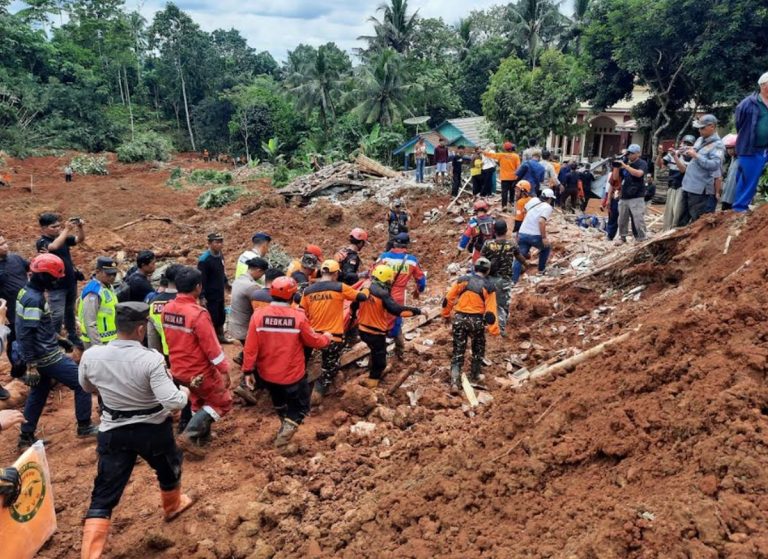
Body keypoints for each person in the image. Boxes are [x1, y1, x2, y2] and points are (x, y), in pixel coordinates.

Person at [78, 302, 193, 559]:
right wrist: (184, 392)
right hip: (152, 430)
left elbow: (86, 387)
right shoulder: (151, 359)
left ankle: (90, 554)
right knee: (168, 466)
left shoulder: (92, 355)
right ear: (141, 329)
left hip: (113, 430)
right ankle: (173, 506)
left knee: (105, 489)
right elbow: (172, 402)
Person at [16, 254, 98, 449]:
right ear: (43, 276)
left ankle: (26, 435)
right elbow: (26, 333)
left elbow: (36, 327)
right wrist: (31, 364)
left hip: (41, 352)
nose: (56, 281)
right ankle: (84, 425)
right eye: (54, 278)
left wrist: (58, 338)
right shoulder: (34, 299)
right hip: (46, 357)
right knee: (82, 382)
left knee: (39, 391)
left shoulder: (26, 292)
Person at [243, 277, 332, 448]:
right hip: (292, 375)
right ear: (292, 296)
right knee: (301, 407)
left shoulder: (258, 315)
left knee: (279, 401)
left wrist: (248, 371)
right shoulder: (298, 317)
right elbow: (313, 341)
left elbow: (250, 347)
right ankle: (283, 439)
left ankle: (284, 424)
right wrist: (326, 338)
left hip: (267, 374)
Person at [162, 267, 232, 457]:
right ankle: (190, 435)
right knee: (222, 402)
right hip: (199, 371)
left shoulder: (167, 309)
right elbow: (212, 348)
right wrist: (224, 370)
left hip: (179, 369)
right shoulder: (198, 314)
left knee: (198, 401)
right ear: (198, 287)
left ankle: (203, 437)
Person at [300, 260, 367, 403]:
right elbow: (361, 297)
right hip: (332, 338)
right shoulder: (340, 287)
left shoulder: (308, 291)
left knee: (301, 362)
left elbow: (301, 312)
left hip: (311, 336)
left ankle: (298, 387)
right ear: (336, 273)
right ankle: (318, 391)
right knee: (330, 367)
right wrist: (366, 288)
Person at [354, 266, 421, 389]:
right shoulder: (382, 294)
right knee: (380, 362)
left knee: (375, 351)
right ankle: (372, 384)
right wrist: (417, 311)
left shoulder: (365, 288)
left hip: (362, 330)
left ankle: (370, 369)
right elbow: (397, 310)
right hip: (375, 333)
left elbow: (354, 304)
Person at [442, 257, 499, 394]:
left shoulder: (462, 280)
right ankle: (475, 374)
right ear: (488, 271)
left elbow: (448, 298)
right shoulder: (489, 287)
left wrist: (445, 314)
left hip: (459, 319)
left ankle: (454, 382)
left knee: (458, 350)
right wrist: (494, 330)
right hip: (476, 321)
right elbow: (491, 311)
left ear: (474, 267)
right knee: (478, 348)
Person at [36, 212, 85, 350]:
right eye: (53, 227)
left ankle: (72, 335)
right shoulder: (42, 242)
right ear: (44, 228)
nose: (57, 229)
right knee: (57, 315)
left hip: (70, 282)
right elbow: (53, 247)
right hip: (56, 285)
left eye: (58, 226)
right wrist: (66, 229)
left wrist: (80, 228)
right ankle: (54, 340)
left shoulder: (62, 237)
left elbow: (79, 239)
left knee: (70, 311)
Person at [373, 232, 426, 358]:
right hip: (398, 295)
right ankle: (400, 351)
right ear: (406, 245)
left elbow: (373, 272)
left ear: (394, 243)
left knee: (379, 319)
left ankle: (378, 351)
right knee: (396, 319)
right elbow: (421, 280)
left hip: (380, 292)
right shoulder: (411, 260)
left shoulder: (384, 257)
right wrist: (418, 290)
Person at [676, 115, 724, 225]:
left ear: (712, 126)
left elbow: (715, 165)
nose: (699, 130)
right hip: (688, 185)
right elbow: (694, 150)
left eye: (702, 128)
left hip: (700, 191)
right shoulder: (700, 139)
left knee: (697, 223)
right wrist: (685, 150)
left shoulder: (718, 145)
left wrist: (696, 156)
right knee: (681, 221)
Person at [481, 220, 527, 335]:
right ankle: (500, 330)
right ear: (506, 231)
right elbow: (520, 258)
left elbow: (481, 260)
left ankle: (485, 324)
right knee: (502, 305)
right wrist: (526, 265)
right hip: (504, 280)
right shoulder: (512, 244)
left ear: (494, 231)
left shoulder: (488, 244)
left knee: (487, 302)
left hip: (488, 279)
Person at [732, 72, 768, 212]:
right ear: (764, 86)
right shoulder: (747, 104)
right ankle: (740, 208)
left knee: (748, 177)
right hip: (750, 148)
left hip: (766, 147)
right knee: (748, 178)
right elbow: (739, 123)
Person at [0, 235, 29, 386]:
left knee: (30, 335)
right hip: (10, 311)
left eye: (4, 242)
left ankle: (33, 366)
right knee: (14, 340)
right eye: (0, 245)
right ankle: (18, 371)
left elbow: (31, 267)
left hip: (28, 305)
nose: (5, 246)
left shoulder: (16, 258)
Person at [512, 188, 556, 283]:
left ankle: (513, 281)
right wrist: (544, 237)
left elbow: (524, 211)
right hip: (535, 235)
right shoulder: (547, 207)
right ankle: (541, 270)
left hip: (523, 233)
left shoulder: (533, 200)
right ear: (549, 199)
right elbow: (541, 221)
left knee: (519, 257)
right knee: (546, 248)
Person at [77, 257, 119, 349]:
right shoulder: (93, 291)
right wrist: (98, 347)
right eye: (108, 274)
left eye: (114, 274)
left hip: (109, 339)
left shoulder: (108, 287)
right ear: (98, 271)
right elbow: (90, 322)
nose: (112, 277)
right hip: (97, 341)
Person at [198, 233, 232, 344]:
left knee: (221, 315)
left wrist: (226, 283)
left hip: (219, 292)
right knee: (211, 317)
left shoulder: (220, 255)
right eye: (216, 242)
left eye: (221, 242)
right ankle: (211, 341)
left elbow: (221, 271)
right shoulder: (204, 260)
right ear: (209, 243)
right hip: (210, 295)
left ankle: (221, 336)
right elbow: (201, 280)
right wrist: (201, 296)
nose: (219, 244)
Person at [228, 257, 269, 348]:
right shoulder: (251, 286)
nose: (261, 277)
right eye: (262, 274)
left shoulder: (239, 279)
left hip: (234, 325)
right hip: (244, 329)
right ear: (258, 270)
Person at [657, 135, 695, 230]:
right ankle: (666, 230)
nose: (685, 145)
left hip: (682, 187)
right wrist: (660, 154)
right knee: (668, 212)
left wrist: (676, 157)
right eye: (684, 143)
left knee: (677, 212)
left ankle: (674, 230)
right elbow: (660, 165)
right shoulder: (672, 154)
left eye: (688, 144)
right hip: (671, 185)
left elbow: (683, 170)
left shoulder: (690, 157)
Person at [147, 264, 184, 360]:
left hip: (166, 353)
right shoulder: (184, 301)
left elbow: (152, 335)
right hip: (186, 354)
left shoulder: (154, 303)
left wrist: (157, 359)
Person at [616, 144, 649, 241]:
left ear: (638, 153)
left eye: (632, 153)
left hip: (637, 196)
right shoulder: (626, 162)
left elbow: (639, 174)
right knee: (622, 219)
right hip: (624, 195)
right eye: (628, 153)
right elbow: (616, 178)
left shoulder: (642, 163)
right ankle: (622, 237)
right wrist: (616, 166)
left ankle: (642, 237)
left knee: (638, 218)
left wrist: (625, 166)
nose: (629, 155)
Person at [484, 142, 520, 211]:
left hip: (504, 177)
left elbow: (490, 155)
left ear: (504, 149)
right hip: (513, 177)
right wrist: (518, 177)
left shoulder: (501, 155)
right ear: (511, 148)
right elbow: (518, 167)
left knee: (504, 192)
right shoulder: (516, 156)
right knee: (512, 191)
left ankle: (504, 206)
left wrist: (482, 152)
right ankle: (511, 203)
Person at [720, 134, 740, 211]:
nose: (730, 151)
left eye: (732, 148)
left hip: (735, 197)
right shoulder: (732, 159)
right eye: (728, 148)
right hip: (726, 196)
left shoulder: (741, 160)